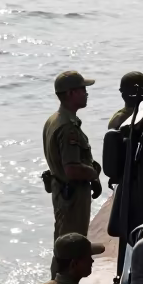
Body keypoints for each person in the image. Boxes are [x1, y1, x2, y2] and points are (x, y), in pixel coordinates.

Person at [43, 72, 101, 261]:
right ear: (70, 93)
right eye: (82, 89)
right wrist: (93, 174)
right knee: (69, 247)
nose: (86, 93)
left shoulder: (54, 119)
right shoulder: (67, 128)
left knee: (65, 239)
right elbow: (72, 169)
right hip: (72, 195)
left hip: (62, 191)